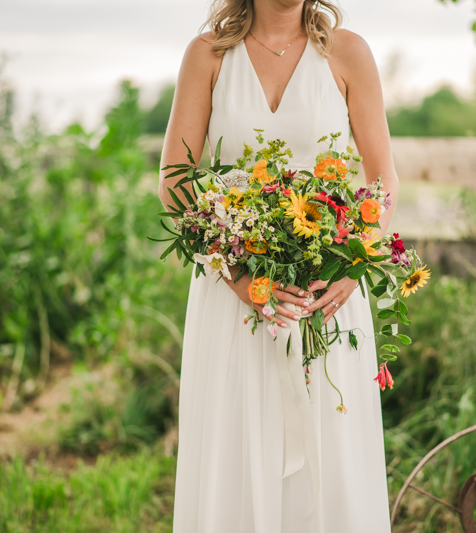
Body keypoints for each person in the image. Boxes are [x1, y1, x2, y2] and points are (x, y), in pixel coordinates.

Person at [159, 0, 399, 531]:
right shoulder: (208, 57)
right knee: (238, 441)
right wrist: (241, 279)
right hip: (233, 298)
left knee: (329, 452)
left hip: (325, 295)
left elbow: (383, 183)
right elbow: (175, 185)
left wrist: (353, 263)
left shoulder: (348, 54)